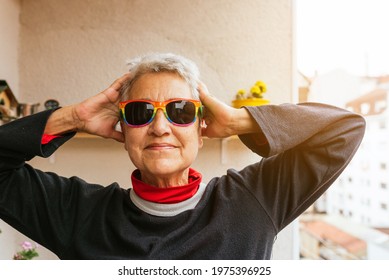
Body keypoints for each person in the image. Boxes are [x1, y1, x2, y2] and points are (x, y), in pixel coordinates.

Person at [0, 53, 365, 260]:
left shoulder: (252, 202)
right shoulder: (78, 214)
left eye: (181, 111)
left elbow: (345, 131)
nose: (160, 128)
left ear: (202, 130)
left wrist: (240, 120)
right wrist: (73, 118)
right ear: (123, 131)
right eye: (141, 112)